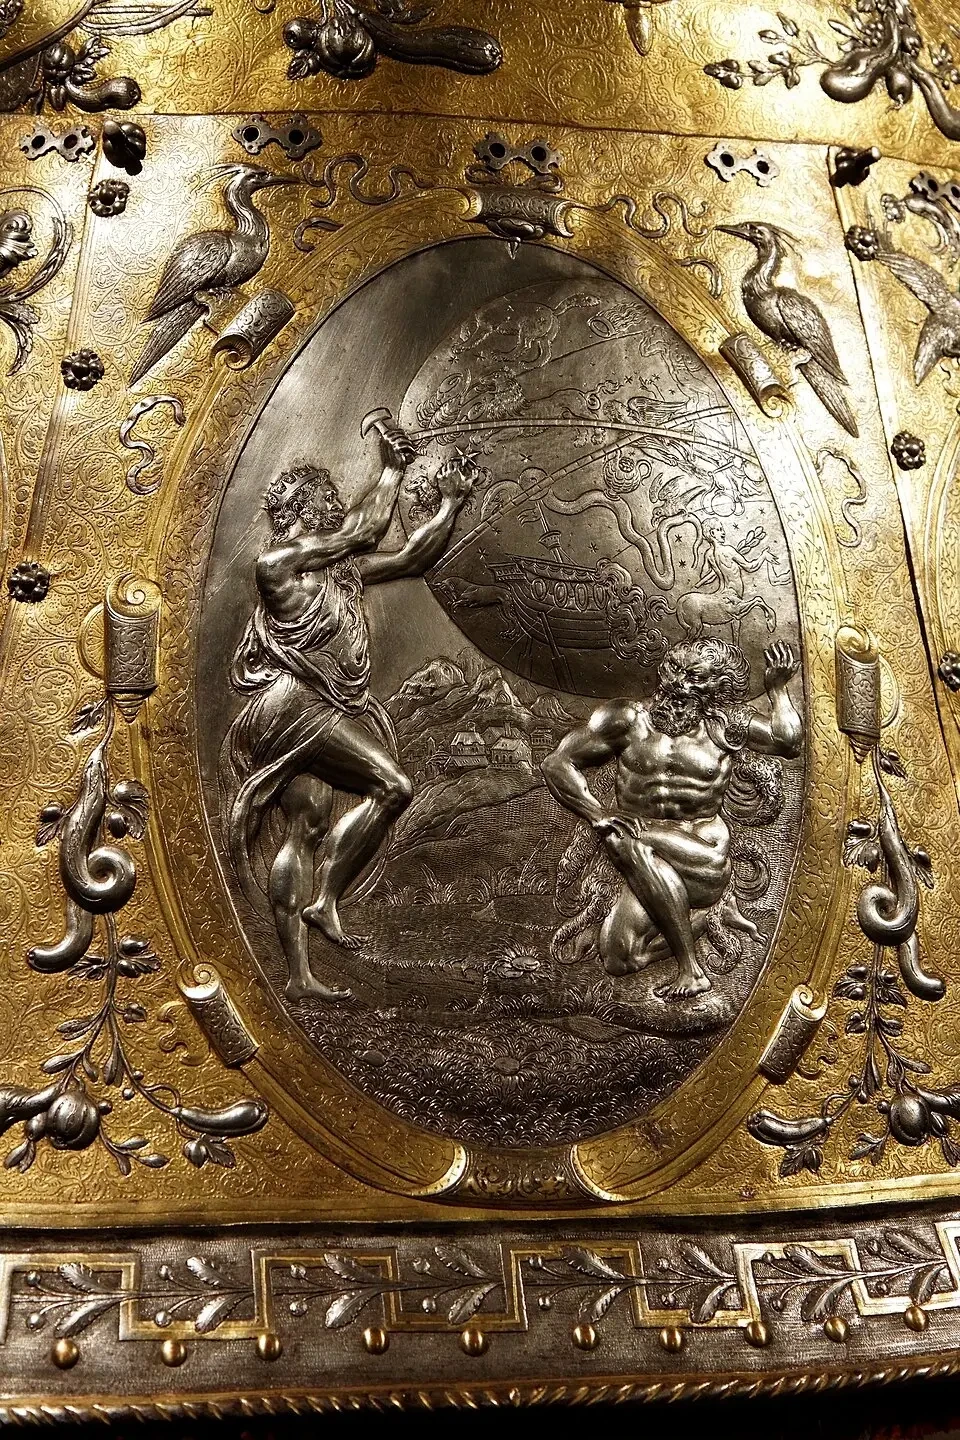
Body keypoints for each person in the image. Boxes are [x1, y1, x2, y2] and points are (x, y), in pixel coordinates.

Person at [221, 422, 476, 1002]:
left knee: (307, 825)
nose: (334, 506)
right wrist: (391, 470)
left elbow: (412, 557)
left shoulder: (340, 572)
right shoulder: (278, 563)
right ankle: (326, 900)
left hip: (312, 706)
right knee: (393, 785)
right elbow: (363, 530)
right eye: (324, 499)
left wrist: (450, 504)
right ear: (302, 508)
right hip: (295, 706)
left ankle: (298, 976)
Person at [541, 637, 802, 1000]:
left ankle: (691, 970)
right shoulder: (627, 719)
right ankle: (705, 918)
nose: (678, 683)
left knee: (625, 838)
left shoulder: (725, 725)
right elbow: (556, 763)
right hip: (644, 861)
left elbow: (787, 741)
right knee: (620, 957)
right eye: (675, 671)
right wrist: (595, 812)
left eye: (693, 678)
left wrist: (777, 690)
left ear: (715, 690)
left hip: (701, 855)